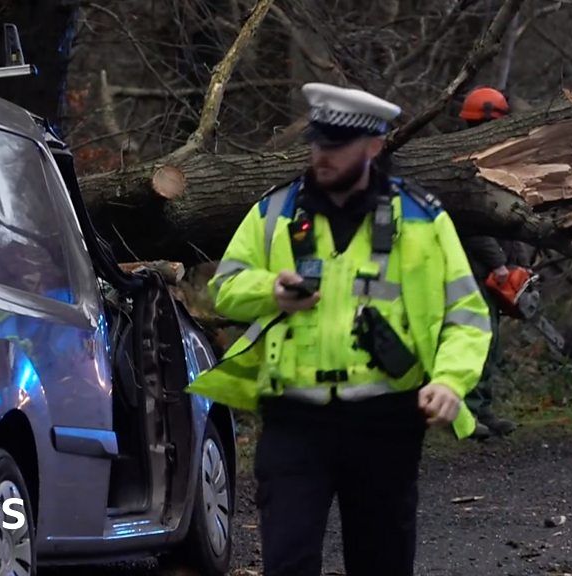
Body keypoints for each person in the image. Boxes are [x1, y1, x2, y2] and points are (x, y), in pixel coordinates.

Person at [186, 83, 492, 575]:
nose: (320, 155)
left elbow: (467, 315)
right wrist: (271, 290)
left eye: (336, 145)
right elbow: (224, 288)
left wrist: (450, 382)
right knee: (288, 561)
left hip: (386, 421)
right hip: (294, 420)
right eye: (316, 142)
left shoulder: (421, 218)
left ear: (373, 146)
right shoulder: (275, 210)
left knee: (382, 561)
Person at [458, 86, 518, 438]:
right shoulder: (467, 163)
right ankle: (467, 412)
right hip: (469, 266)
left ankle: (482, 406)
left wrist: (517, 261)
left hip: (489, 263)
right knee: (476, 339)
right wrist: (499, 264)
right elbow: (473, 222)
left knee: (490, 341)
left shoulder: (496, 158)